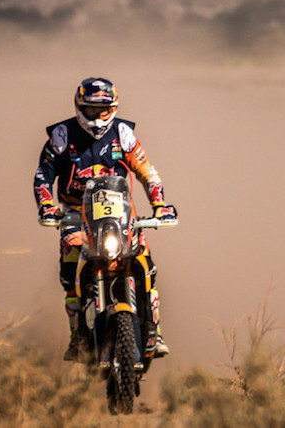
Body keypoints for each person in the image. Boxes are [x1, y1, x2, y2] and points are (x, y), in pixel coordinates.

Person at [34, 77, 178, 361]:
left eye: (104, 111)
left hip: (121, 214)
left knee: (146, 263)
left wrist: (160, 205)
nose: (98, 118)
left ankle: (154, 331)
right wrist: (47, 206)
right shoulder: (62, 136)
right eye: (90, 110)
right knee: (69, 272)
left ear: (113, 108)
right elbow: (43, 175)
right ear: (79, 107)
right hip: (77, 215)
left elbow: (148, 173)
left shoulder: (124, 134)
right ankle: (77, 339)